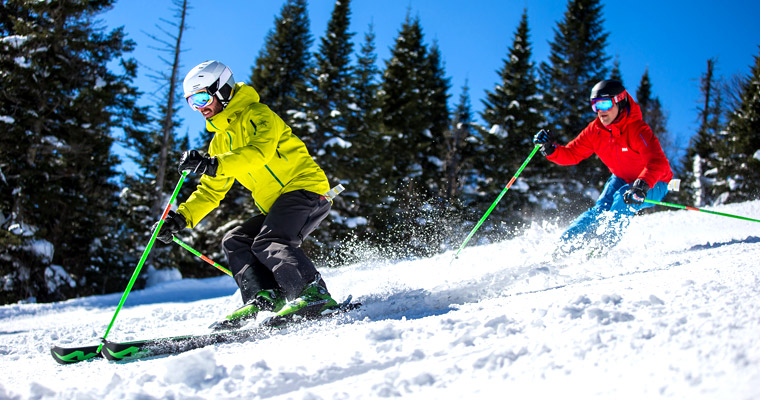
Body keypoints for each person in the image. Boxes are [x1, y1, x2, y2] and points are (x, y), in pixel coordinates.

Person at [154, 60, 338, 329]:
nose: (200, 107)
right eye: (192, 102)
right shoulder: (220, 141)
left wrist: (213, 164)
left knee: (270, 240)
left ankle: (313, 294)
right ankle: (263, 297)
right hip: (277, 205)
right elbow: (211, 190)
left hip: (306, 189)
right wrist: (181, 218)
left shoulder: (258, 114)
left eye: (203, 97)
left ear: (223, 90)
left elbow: (258, 152)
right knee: (236, 239)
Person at [533, 79, 673, 256]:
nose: (600, 110)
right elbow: (572, 154)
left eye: (605, 104)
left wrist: (642, 185)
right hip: (621, 177)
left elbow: (658, 163)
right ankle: (562, 249)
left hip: (654, 182)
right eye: (595, 105)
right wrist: (550, 149)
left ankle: (599, 249)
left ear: (619, 101)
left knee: (623, 199)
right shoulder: (595, 131)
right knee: (599, 211)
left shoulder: (638, 129)